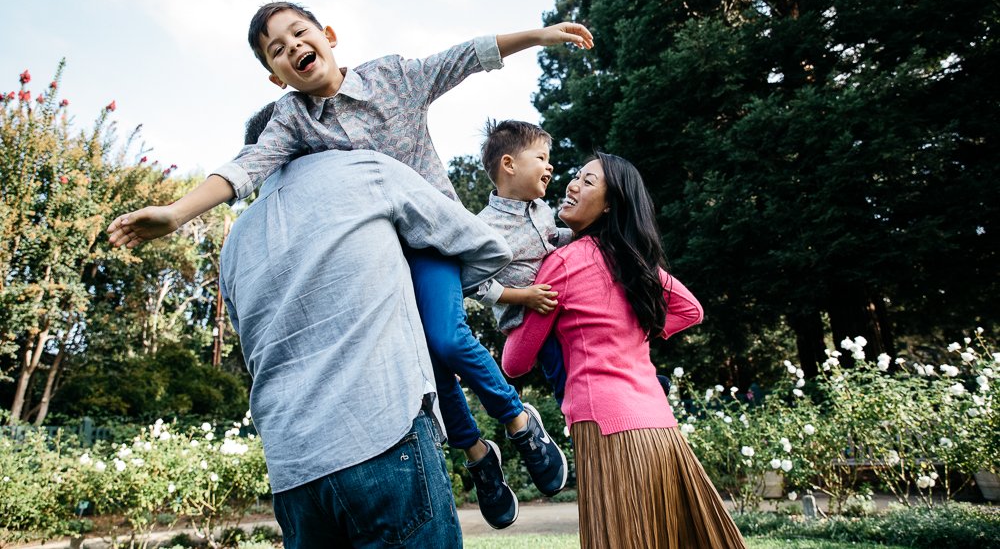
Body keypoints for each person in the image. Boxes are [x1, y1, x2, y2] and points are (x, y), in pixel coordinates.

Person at [108, 2, 591, 528]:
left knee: (447, 340)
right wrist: (176, 213)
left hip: (428, 240)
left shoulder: (391, 77)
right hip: (373, 261)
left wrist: (539, 36)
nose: (292, 47)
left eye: (298, 33)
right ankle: (478, 457)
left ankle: (520, 421)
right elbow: (250, 166)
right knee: (425, 369)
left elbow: (464, 57)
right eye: (277, 49)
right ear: (275, 77)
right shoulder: (292, 119)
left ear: (327, 35)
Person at [220, 113, 514, 546]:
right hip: (382, 433)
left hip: (292, 468)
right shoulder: (365, 170)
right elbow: (488, 246)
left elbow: (248, 340)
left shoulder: (234, 245)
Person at [502, 151, 748, 549]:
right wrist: (633, 332)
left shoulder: (562, 264)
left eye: (588, 181)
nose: (572, 184)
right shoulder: (635, 263)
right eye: (576, 176)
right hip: (661, 428)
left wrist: (515, 309)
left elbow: (514, 363)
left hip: (605, 426)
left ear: (610, 204)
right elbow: (692, 310)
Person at [475, 119, 572, 405]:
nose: (550, 166)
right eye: (541, 158)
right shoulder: (485, 227)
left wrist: (580, 235)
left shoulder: (541, 210)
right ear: (509, 164)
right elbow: (477, 286)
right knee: (560, 366)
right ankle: (572, 404)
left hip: (556, 300)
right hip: (528, 317)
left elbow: (552, 239)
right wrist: (524, 297)